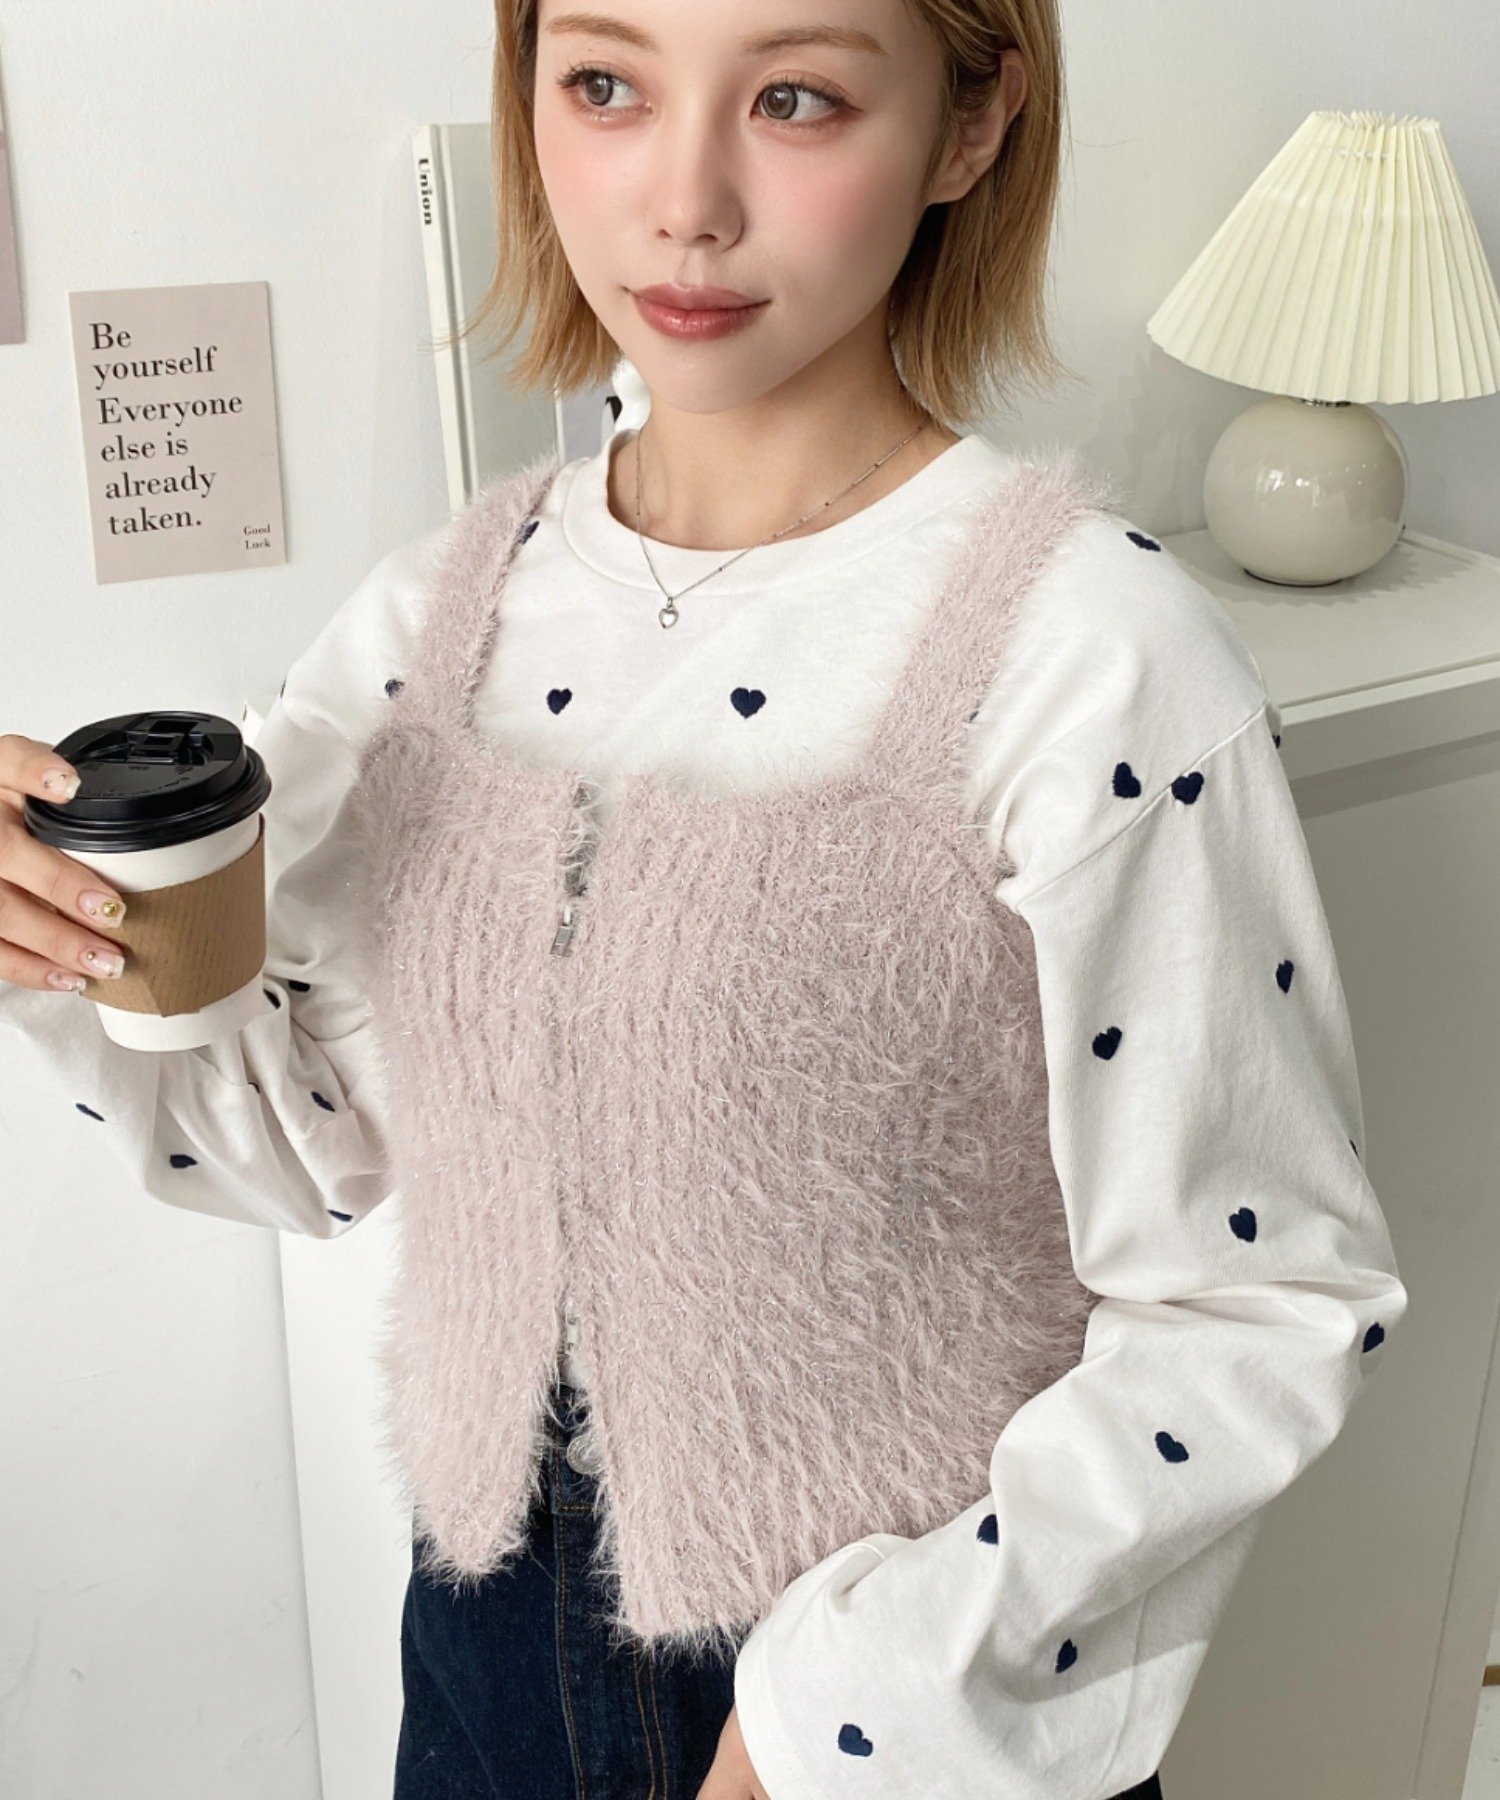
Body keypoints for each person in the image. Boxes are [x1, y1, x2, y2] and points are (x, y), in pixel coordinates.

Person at [0, 0, 1409, 1794]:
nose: (683, 201)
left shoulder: (1093, 657)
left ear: (972, 124)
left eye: (796, 98)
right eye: (605, 84)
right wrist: (70, 945)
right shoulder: (433, 622)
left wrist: (855, 1708)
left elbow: (1262, 1301)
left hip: (898, 1691)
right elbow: (311, 1145)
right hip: (485, 1651)